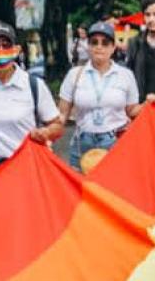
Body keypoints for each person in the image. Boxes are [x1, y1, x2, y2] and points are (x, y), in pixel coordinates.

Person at [0, 21, 63, 189]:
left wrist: (45, 132)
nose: (1, 51)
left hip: (26, 171)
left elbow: (57, 126)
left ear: (17, 50)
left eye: (6, 45)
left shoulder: (33, 85)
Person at [59, 21, 142, 171]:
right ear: (88, 46)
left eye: (105, 43)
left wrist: (149, 105)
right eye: (94, 42)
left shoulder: (125, 75)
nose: (99, 47)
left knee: (113, 190)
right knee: (81, 191)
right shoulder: (74, 75)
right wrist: (48, 135)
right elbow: (62, 115)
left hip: (115, 141)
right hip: (82, 143)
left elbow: (132, 111)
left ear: (113, 47)